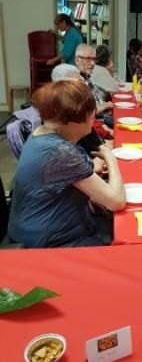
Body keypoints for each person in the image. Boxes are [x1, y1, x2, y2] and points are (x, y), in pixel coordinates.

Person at [8, 80, 126, 248]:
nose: (94, 117)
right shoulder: (60, 152)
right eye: (92, 113)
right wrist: (110, 157)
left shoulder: (40, 132)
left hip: (34, 226)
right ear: (75, 119)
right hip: (49, 241)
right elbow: (117, 202)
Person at [75, 44, 113, 127]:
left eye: (93, 60)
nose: (92, 63)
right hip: (97, 121)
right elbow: (88, 112)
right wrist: (106, 105)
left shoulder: (87, 77)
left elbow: (98, 101)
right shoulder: (79, 82)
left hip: (100, 116)